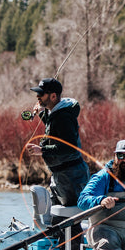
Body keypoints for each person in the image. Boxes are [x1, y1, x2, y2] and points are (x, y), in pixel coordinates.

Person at [27, 77, 90, 210]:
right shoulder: (55, 113)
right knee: (56, 218)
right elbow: (55, 130)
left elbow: (69, 147)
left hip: (72, 177)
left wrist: (42, 150)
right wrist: (42, 114)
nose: (37, 97)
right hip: (60, 176)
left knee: (70, 219)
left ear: (53, 96)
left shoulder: (64, 117)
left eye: (41, 94)